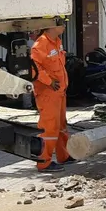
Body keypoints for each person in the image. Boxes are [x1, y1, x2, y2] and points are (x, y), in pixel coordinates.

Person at [31, 24, 74, 172]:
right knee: (49, 127)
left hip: (59, 91)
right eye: (60, 23)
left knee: (61, 125)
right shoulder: (41, 44)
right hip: (48, 93)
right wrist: (49, 81)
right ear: (50, 27)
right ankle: (44, 162)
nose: (64, 26)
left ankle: (64, 155)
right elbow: (33, 67)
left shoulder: (56, 41)